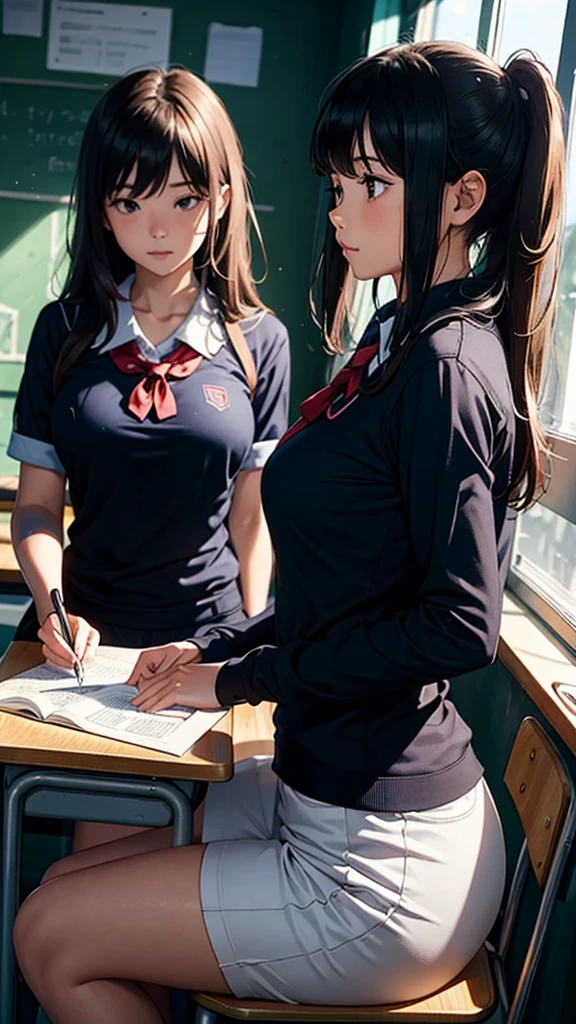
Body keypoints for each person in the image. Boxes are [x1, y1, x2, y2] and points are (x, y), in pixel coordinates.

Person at [13, 41, 565, 1022]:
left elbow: (459, 627)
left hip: (382, 863)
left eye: (371, 182)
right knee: (58, 893)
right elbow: (336, 592)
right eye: (337, 180)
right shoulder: (399, 336)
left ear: (463, 196)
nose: (340, 207)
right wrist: (218, 647)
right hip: (331, 792)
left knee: (48, 934)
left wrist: (236, 677)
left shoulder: (447, 359)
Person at [8, 67, 290, 849]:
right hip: (87, 649)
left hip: (207, 648)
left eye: (183, 199)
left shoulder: (258, 341)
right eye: (130, 202)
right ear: (102, 208)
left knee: (187, 877)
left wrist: (243, 641)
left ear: (222, 197)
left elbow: (251, 518)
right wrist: (54, 602)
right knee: (93, 888)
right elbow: (36, 507)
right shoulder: (63, 331)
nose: (157, 228)